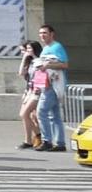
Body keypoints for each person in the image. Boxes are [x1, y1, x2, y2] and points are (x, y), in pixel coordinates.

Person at [35, 22, 70, 151]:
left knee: (41, 111)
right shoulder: (45, 48)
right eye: (40, 33)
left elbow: (65, 65)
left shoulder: (57, 47)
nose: (42, 35)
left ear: (52, 34)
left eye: (45, 33)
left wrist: (48, 66)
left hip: (54, 85)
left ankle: (47, 141)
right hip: (46, 84)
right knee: (55, 115)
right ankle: (60, 143)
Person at [17, 39, 45, 149]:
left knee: (25, 114)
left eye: (28, 49)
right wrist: (24, 59)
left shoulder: (38, 61)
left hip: (36, 91)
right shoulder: (31, 62)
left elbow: (40, 77)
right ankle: (29, 140)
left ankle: (39, 135)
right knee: (29, 115)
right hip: (29, 91)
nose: (26, 51)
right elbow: (21, 73)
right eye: (25, 49)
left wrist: (33, 91)